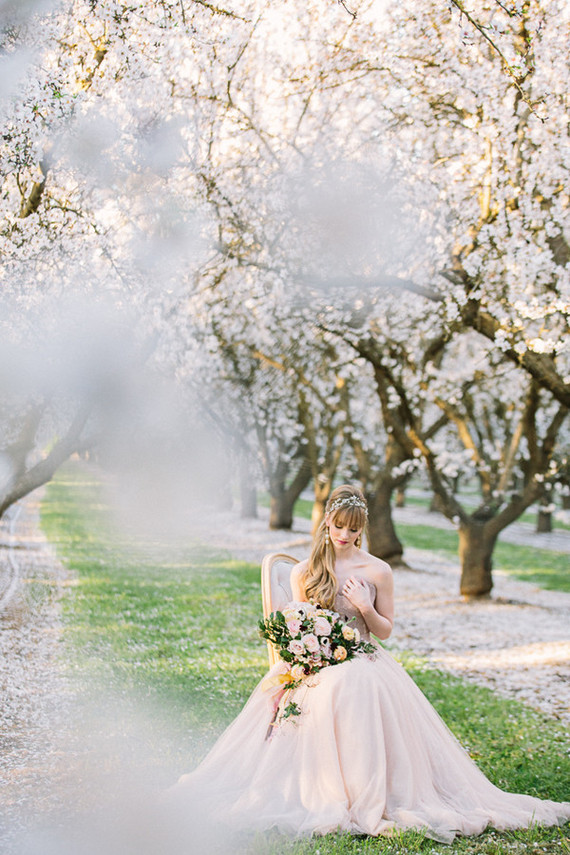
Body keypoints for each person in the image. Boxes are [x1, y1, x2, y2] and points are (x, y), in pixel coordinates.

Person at [167, 485, 570, 843]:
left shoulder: (378, 570)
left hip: (363, 655)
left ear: (362, 528)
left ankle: (367, 792)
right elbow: (299, 624)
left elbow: (386, 630)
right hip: (317, 663)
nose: (344, 535)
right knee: (337, 683)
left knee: (355, 679)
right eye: (338, 526)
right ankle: (323, 789)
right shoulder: (306, 571)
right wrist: (310, 654)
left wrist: (364, 606)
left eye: (353, 529)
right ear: (327, 523)